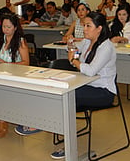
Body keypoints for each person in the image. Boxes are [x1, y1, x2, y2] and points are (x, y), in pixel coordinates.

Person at [19, 12, 117, 160]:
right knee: (58, 91)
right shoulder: (87, 41)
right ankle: (45, 124)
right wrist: (71, 45)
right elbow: (71, 48)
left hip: (103, 91)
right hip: (85, 84)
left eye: (88, 26)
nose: (84, 29)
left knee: (67, 97)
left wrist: (74, 61)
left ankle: (68, 146)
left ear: (99, 28)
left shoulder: (106, 47)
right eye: (84, 25)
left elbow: (90, 71)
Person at [0, 13, 29, 138]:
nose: (6, 30)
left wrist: (7, 64)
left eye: (9, 27)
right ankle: (2, 118)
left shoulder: (20, 41)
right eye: (4, 27)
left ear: (15, 27)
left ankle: (2, 122)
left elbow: (26, 62)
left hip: (15, 75)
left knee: (1, 93)